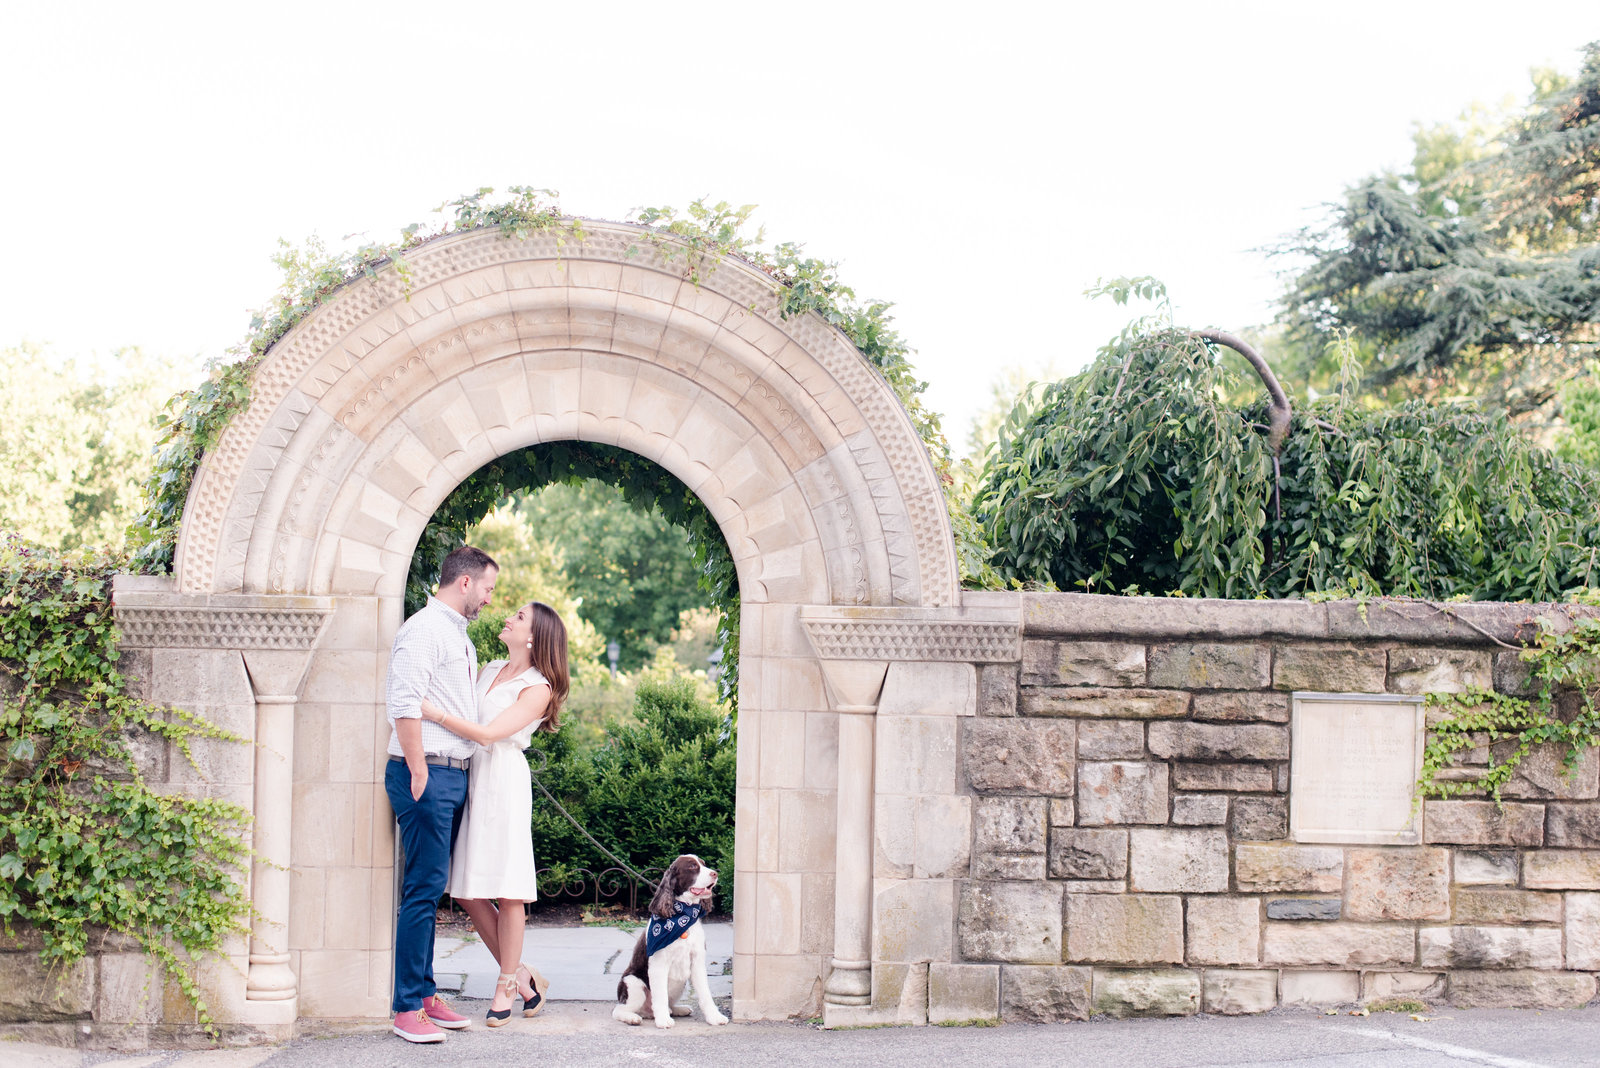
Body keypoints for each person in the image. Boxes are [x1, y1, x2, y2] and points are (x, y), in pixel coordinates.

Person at [420, 600, 570, 1027]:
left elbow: (488, 733)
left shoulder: (537, 687)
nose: (508, 616)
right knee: (466, 890)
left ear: (534, 637)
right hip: (471, 776)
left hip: (503, 780)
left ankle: (505, 983)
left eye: (519, 616)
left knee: (508, 888)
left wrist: (434, 712)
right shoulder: (487, 668)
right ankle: (523, 975)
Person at [384, 545, 498, 1044]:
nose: (491, 600)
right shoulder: (424, 630)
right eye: (489, 589)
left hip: (450, 773)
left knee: (431, 890)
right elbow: (404, 703)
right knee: (422, 889)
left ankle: (427, 995)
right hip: (425, 772)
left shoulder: (457, 635)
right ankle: (407, 1006)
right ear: (466, 582)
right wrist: (417, 771)